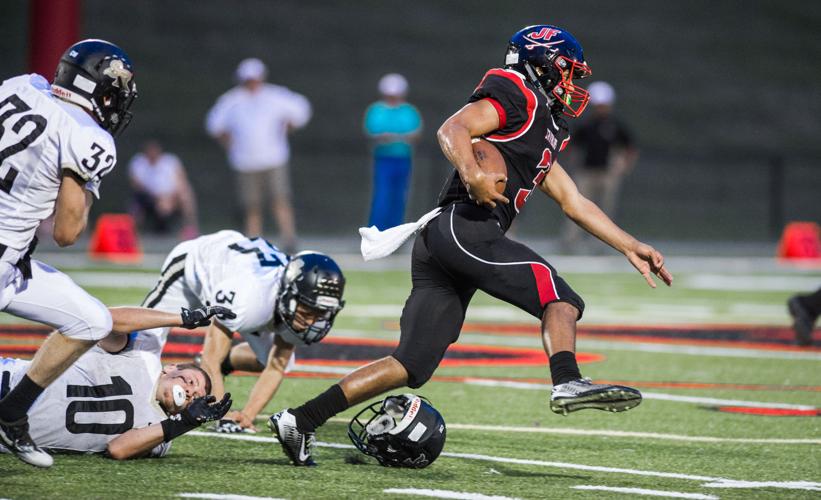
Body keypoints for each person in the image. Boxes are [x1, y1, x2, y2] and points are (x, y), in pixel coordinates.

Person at [269, 24, 673, 467]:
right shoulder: (518, 92)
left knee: (412, 364)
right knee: (559, 298)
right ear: (542, 65)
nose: (572, 84)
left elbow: (573, 202)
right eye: (568, 71)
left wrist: (629, 245)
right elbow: (453, 127)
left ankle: (300, 419)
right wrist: (473, 173)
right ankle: (567, 379)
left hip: (445, 240)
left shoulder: (543, 127)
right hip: (465, 227)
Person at [0, 39, 140, 468]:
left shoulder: (22, 85)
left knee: (92, 320)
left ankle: (10, 414)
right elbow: (66, 233)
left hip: (13, 263)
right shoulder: (87, 136)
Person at [131, 230, 346, 433]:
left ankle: (229, 361)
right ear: (290, 296)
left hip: (244, 285)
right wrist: (221, 416)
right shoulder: (249, 300)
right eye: (307, 311)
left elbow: (276, 366)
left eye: (320, 313)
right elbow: (211, 358)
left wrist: (247, 415)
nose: (311, 321)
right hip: (196, 265)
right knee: (144, 340)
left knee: (277, 360)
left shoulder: (289, 302)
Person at [0, 304, 234, 461]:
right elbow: (106, 320)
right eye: (191, 381)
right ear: (171, 368)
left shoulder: (162, 433)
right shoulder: (143, 355)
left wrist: (187, 421)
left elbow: (118, 449)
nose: (191, 392)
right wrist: (181, 318)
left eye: (196, 397)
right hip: (8, 383)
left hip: (11, 435)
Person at [205, 58, 311, 252]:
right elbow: (214, 124)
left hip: (274, 158)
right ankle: (254, 242)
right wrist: (228, 143)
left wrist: (289, 126)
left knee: (280, 200)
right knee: (252, 206)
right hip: (245, 162)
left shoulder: (275, 96)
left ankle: (289, 239)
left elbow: (301, 110)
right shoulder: (232, 100)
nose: (252, 83)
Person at [560, 81, 638, 253]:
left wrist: (623, 167)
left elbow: (629, 148)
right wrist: (572, 166)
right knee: (577, 206)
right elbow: (572, 146)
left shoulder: (615, 125)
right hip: (586, 173)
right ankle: (571, 241)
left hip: (607, 174)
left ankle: (602, 244)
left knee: (606, 210)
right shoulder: (585, 125)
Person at [364, 73, 423, 230]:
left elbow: (415, 134)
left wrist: (392, 137)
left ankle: (394, 231)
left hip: (403, 159)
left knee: (399, 197)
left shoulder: (409, 111)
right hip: (383, 159)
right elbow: (373, 132)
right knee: (382, 196)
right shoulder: (376, 110)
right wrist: (397, 137)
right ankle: (376, 230)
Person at [128, 140, 199, 239]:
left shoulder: (170, 161)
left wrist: (170, 198)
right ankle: (133, 233)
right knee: (137, 205)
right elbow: (137, 185)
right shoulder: (138, 163)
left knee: (186, 195)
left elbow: (182, 181)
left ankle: (189, 228)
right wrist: (158, 198)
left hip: (172, 198)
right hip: (148, 198)